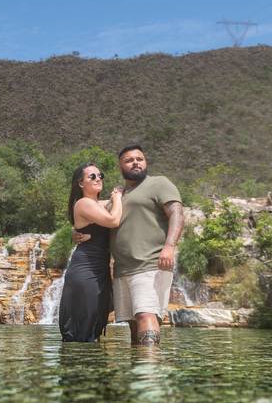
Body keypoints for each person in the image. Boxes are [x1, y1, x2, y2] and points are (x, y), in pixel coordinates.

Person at [74, 145, 184, 346]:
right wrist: (79, 232)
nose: (135, 162)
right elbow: (90, 212)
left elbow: (177, 213)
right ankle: (140, 372)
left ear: (146, 162)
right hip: (122, 270)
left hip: (150, 264)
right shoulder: (120, 195)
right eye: (129, 160)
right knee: (133, 325)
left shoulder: (159, 184)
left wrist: (169, 246)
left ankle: (149, 373)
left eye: (139, 159)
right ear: (120, 166)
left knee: (145, 315)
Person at [58, 163, 123, 342]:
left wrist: (116, 195)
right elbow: (113, 220)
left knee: (92, 323)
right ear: (80, 183)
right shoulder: (84, 203)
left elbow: (105, 206)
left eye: (100, 175)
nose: (98, 178)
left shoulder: (96, 204)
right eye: (92, 176)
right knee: (83, 324)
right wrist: (117, 197)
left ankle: (88, 367)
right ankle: (80, 366)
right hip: (86, 270)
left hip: (99, 270)